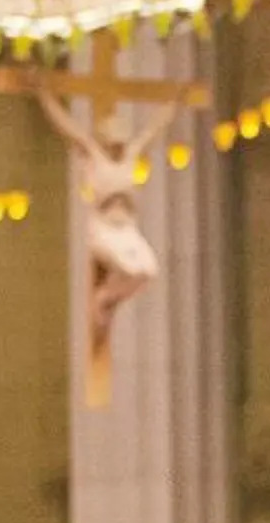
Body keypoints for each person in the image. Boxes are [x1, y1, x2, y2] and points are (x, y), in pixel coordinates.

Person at [32, 80, 186, 404]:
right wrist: (43, 92)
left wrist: (176, 101)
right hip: (103, 228)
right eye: (113, 138)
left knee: (147, 269)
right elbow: (66, 126)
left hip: (127, 228)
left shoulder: (130, 156)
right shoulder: (93, 154)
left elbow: (155, 129)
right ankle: (102, 300)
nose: (118, 143)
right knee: (129, 264)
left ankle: (108, 296)